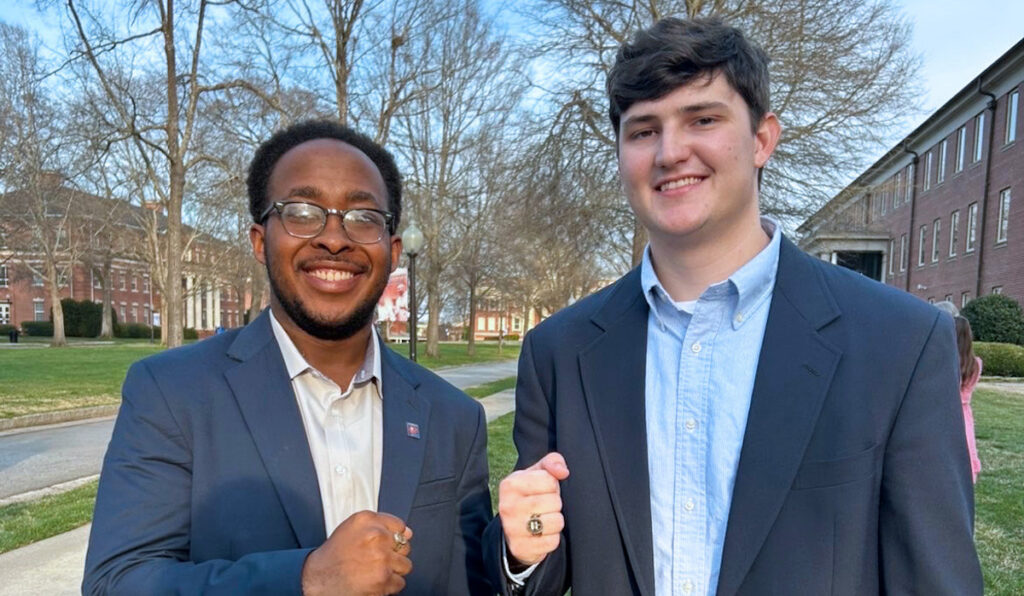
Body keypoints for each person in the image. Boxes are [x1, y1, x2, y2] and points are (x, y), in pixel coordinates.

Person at [484, 17, 982, 595]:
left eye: (703, 119)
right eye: (643, 130)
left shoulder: (900, 344)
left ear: (762, 139)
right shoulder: (560, 352)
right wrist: (521, 550)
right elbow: (541, 567)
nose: (671, 152)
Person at [84, 120, 493, 595]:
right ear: (260, 241)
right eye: (302, 212)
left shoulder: (454, 418)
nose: (335, 239)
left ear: (392, 249)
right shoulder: (174, 394)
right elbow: (118, 582)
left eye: (363, 218)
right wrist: (307, 580)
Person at [955, 315, 983, 483]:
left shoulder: (949, 363)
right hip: (965, 412)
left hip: (950, 410)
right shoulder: (976, 364)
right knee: (968, 444)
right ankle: (970, 473)